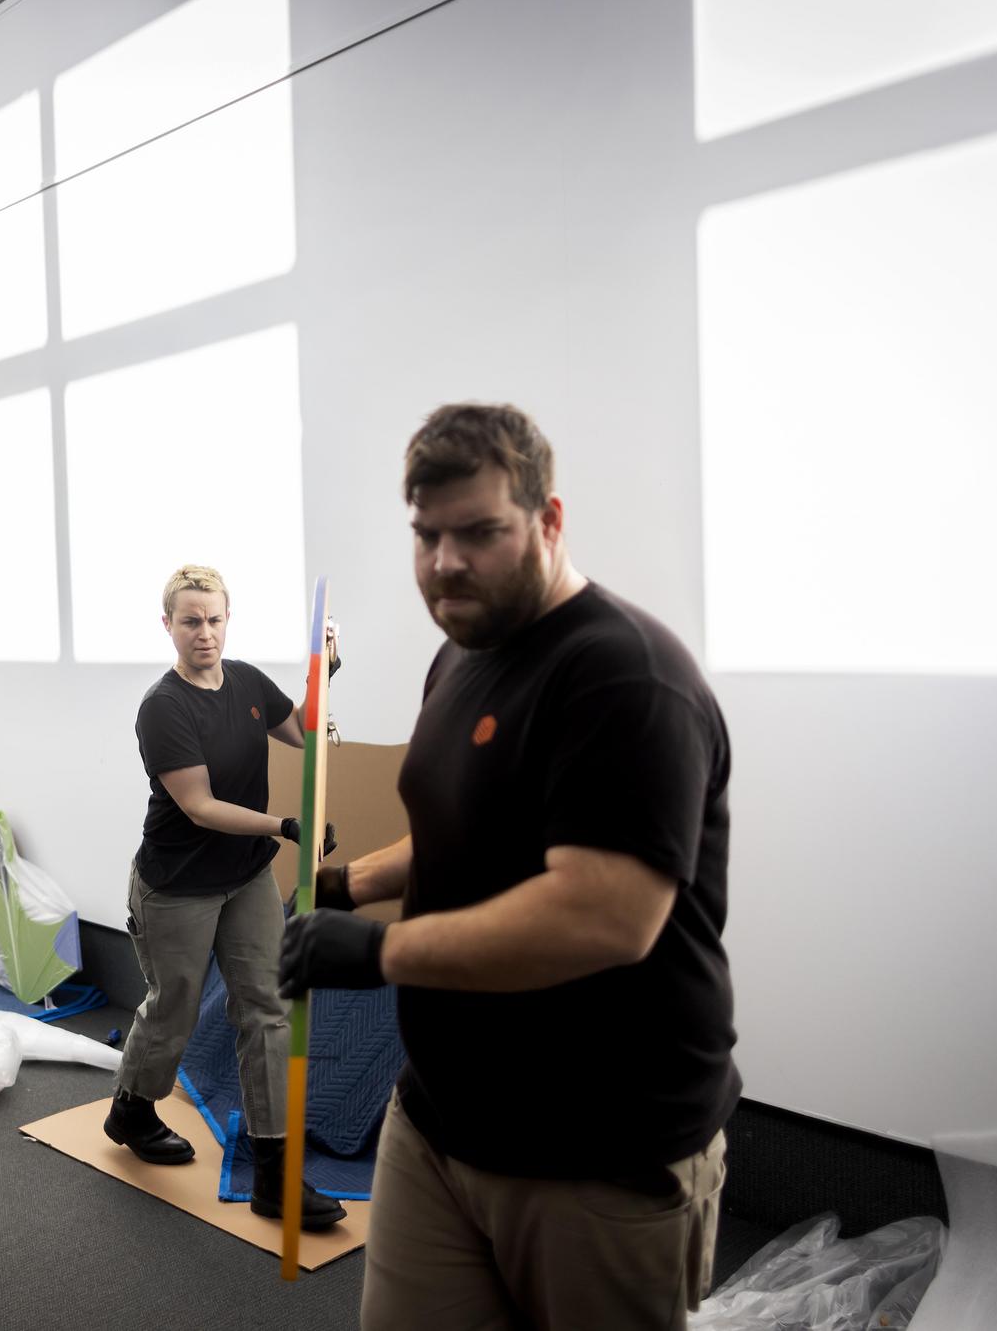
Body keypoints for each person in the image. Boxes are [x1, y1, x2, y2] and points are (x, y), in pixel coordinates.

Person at [278, 404, 739, 1329]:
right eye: (427, 535)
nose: (446, 561)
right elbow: (468, 828)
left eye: (480, 532)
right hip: (443, 1119)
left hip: (600, 1143)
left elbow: (601, 915)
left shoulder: (623, 677)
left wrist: (374, 954)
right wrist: (349, 884)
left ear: (549, 521)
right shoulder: (461, 655)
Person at [104, 565, 346, 1231]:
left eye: (213, 619)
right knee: (175, 1006)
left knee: (266, 1007)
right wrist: (285, 825)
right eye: (190, 620)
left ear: (227, 619)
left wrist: (328, 676)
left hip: (244, 877)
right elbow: (201, 806)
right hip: (177, 885)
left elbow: (313, 739)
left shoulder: (247, 683)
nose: (204, 632)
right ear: (168, 626)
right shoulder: (163, 706)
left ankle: (273, 1175)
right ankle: (131, 1104)